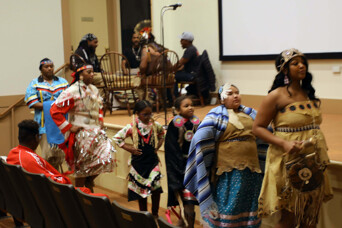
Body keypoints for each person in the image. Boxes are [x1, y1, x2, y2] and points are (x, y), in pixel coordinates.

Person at [252, 48, 333, 228]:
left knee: (311, 211)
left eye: (303, 62)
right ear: (285, 70)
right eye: (295, 63)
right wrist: (284, 143)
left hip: (313, 158)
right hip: (287, 158)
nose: (301, 66)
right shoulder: (275, 96)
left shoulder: (308, 93)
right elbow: (257, 128)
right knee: (289, 214)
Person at [183, 83, 263, 228]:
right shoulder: (215, 116)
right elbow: (199, 138)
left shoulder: (250, 114)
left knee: (251, 206)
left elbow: (264, 132)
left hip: (252, 172)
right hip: (228, 174)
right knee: (228, 206)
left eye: (237, 92)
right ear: (222, 99)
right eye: (230, 93)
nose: (236, 95)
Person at [50, 63, 114, 192]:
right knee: (82, 168)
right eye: (89, 72)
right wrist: (68, 127)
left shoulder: (94, 89)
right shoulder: (71, 91)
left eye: (93, 72)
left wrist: (100, 119)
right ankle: (79, 194)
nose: (92, 74)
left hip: (97, 132)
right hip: (82, 133)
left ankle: (89, 181)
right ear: (80, 75)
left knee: (108, 157)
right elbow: (54, 111)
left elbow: (98, 107)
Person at [7, 120, 108, 196]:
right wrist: (66, 180)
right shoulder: (30, 158)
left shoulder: (13, 152)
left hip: (32, 195)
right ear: (36, 137)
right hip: (52, 197)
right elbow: (54, 181)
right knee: (102, 198)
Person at [113, 100, 165, 218]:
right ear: (137, 114)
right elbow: (117, 138)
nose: (148, 117)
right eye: (144, 114)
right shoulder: (131, 127)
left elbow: (162, 135)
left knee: (156, 189)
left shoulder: (155, 126)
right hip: (138, 164)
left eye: (150, 114)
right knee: (142, 191)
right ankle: (144, 215)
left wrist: (157, 147)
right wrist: (130, 148)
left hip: (152, 162)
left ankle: (155, 214)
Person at [25, 58, 68, 170]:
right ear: (41, 69)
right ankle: (49, 181)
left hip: (60, 123)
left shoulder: (62, 82)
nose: (50, 68)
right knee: (48, 155)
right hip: (44, 124)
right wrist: (53, 105)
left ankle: (57, 179)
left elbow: (69, 98)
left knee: (60, 154)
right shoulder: (35, 83)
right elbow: (31, 102)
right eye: (46, 67)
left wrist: (56, 105)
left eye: (51, 66)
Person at [165, 96, 200, 228]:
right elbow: (171, 150)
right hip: (180, 168)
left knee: (188, 201)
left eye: (192, 105)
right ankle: (187, 225)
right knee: (187, 201)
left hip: (194, 167)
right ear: (178, 110)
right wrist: (179, 170)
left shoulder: (196, 123)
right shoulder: (174, 125)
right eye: (186, 106)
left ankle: (182, 223)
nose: (190, 107)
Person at [174, 32, 199, 97]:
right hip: (194, 73)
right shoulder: (192, 48)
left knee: (172, 77)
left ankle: (175, 98)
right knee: (175, 74)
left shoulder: (190, 50)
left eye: (182, 40)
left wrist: (170, 69)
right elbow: (183, 65)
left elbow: (180, 63)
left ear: (186, 41)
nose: (180, 42)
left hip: (192, 75)